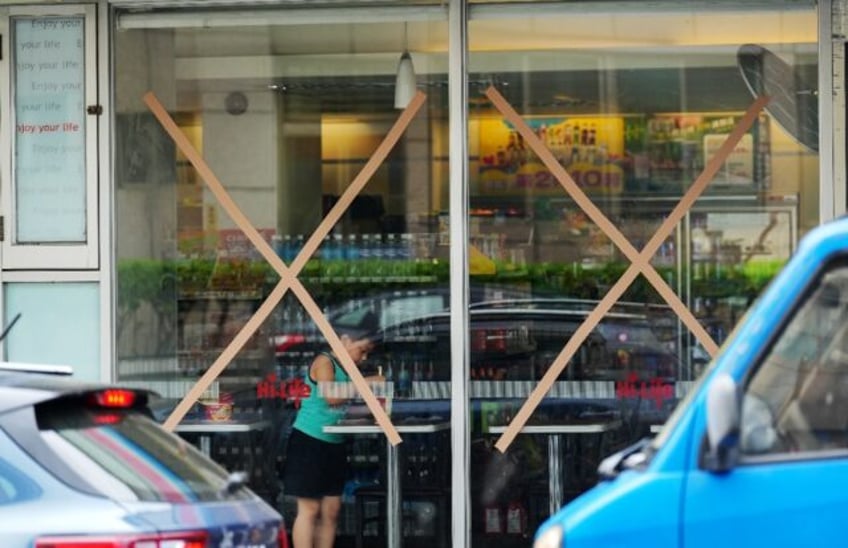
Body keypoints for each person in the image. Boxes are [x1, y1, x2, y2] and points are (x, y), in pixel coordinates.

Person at [283, 310, 383, 548]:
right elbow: (331, 397)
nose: (364, 358)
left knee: (332, 511)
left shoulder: (346, 369)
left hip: (334, 444)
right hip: (309, 442)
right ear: (345, 340)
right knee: (309, 508)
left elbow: (342, 409)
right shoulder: (324, 361)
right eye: (362, 350)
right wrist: (367, 383)